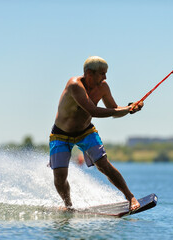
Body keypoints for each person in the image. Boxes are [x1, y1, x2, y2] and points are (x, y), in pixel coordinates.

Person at [49, 56, 144, 211]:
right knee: (60, 177)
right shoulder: (74, 85)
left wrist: (130, 109)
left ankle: (130, 197)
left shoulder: (103, 87)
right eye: (102, 74)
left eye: (105, 73)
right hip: (61, 134)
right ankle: (68, 205)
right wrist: (125, 110)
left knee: (103, 164)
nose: (105, 77)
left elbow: (114, 110)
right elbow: (92, 110)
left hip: (85, 132)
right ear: (89, 74)